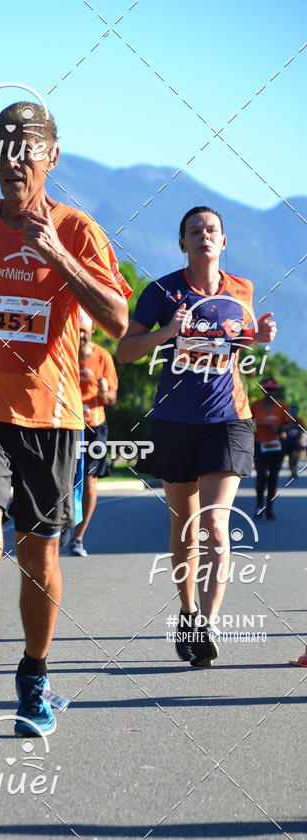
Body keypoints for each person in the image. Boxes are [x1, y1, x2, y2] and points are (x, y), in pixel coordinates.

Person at [0, 101, 132, 747]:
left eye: (27, 145)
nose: (14, 157)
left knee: (39, 555)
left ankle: (34, 677)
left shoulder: (80, 230)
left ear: (51, 156)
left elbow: (120, 320)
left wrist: (58, 258)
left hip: (54, 416)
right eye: (2, 144)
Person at [117, 206, 276, 667]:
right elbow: (126, 351)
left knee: (214, 527)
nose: (204, 236)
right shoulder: (162, 291)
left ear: (223, 241)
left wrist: (258, 338)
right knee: (184, 529)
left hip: (229, 419)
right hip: (175, 422)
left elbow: (237, 342)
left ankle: (206, 624)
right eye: (194, 231)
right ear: (182, 243)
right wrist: (169, 330)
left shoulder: (241, 289)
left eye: (212, 230)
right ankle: (187, 612)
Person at [66, 309, 118, 557]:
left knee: (88, 482)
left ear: (92, 331)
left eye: (85, 332)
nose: (81, 336)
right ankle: (59, 527)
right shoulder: (62, 353)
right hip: (64, 424)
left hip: (94, 426)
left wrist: (103, 391)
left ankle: (79, 536)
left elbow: (111, 399)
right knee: (62, 480)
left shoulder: (103, 356)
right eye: (78, 331)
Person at [250, 380, 293, 519]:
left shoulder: (282, 406)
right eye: (267, 389)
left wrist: (279, 428)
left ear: (276, 391)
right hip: (260, 445)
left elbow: (290, 424)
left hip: (277, 446)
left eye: (272, 390)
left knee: (273, 478)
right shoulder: (255, 405)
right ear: (263, 390)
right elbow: (246, 422)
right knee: (261, 476)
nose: (270, 392)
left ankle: (269, 508)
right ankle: (259, 505)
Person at [283, 404, 305, 480]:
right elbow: (282, 429)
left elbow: (303, 429)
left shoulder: (300, 420)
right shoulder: (287, 420)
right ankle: (292, 471)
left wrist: (300, 435)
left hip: (296, 441)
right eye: (293, 411)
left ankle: (294, 471)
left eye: (295, 411)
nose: (294, 412)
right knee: (290, 458)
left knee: (295, 457)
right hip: (288, 441)